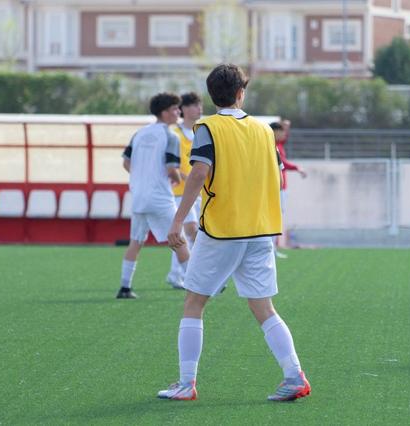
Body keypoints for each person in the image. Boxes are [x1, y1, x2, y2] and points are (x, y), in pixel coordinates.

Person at [157, 64, 310, 401]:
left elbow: (199, 173)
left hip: (223, 230)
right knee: (264, 308)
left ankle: (186, 383)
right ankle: (294, 375)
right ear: (242, 92)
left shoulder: (207, 127)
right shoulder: (264, 131)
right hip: (260, 230)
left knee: (194, 302)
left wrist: (177, 221)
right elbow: (275, 175)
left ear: (212, 95)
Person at [117, 93, 190, 299]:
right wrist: (179, 178)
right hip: (160, 197)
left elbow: (126, 163)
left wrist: (142, 177)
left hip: (139, 196)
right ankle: (197, 286)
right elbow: (171, 169)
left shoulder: (140, 133)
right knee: (179, 239)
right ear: (165, 112)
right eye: (175, 109)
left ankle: (124, 287)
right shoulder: (171, 136)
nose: (178, 112)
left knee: (136, 242)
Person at [166, 92, 203, 289]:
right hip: (179, 192)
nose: (199, 108)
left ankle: (176, 274)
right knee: (191, 232)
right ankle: (189, 275)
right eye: (195, 105)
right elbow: (169, 163)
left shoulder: (200, 133)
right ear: (184, 109)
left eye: (200, 105)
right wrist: (185, 177)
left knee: (186, 235)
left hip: (197, 192)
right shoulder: (174, 133)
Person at [269, 120, 307, 257]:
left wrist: (287, 127)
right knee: (275, 217)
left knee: (277, 217)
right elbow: (283, 163)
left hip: (282, 187)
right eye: (281, 131)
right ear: (274, 132)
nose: (284, 134)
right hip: (277, 187)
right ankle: (271, 249)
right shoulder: (272, 145)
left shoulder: (279, 144)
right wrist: (297, 168)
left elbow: (285, 139)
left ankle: (273, 248)